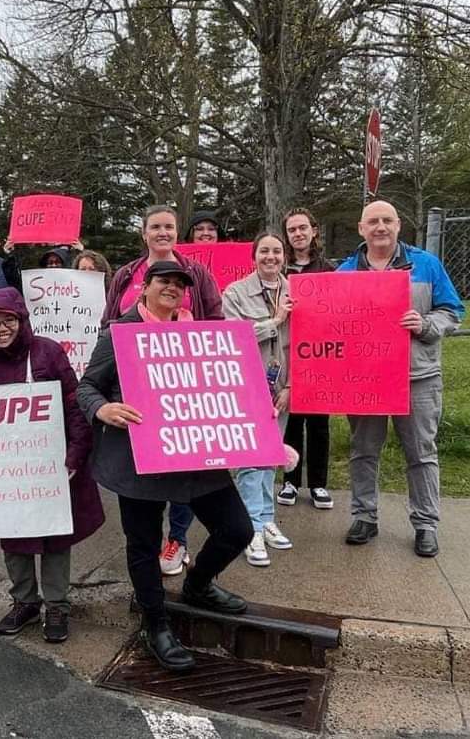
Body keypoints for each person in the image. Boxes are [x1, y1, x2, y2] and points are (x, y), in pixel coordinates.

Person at [78, 262, 252, 672]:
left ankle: (197, 585)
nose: (173, 288)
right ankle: (155, 623)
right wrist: (102, 408)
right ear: (145, 287)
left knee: (237, 529)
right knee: (143, 544)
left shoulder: (200, 335)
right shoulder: (119, 334)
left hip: (193, 451)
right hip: (137, 457)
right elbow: (86, 386)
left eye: (180, 284)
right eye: (165, 282)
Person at [0, 288, 104, 644]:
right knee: (12, 536)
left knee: (55, 537)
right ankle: (24, 602)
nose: (2, 328)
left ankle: (57, 605)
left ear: (22, 320)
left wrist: (76, 455)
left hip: (52, 465)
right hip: (3, 469)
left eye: (9, 320)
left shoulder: (47, 351)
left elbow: (75, 404)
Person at [101, 205, 224, 576]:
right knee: (145, 465)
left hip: (182, 383)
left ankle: (178, 538)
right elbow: (108, 321)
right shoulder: (126, 274)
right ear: (144, 232)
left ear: (176, 232)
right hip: (135, 383)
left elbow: (215, 320)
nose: (162, 233)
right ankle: (145, 541)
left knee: (184, 462)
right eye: (155, 226)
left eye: (169, 226)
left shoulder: (195, 273)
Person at [337, 200, 464, 557]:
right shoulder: (345, 274)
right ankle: (364, 516)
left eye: (387, 221)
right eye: (373, 221)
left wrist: (425, 326)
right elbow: (330, 325)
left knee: (421, 453)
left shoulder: (426, 264)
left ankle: (425, 525)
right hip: (367, 380)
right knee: (363, 452)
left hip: (417, 376)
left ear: (398, 226)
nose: (380, 227)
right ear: (360, 228)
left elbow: (453, 310)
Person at [222, 232, 295, 568]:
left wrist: (291, 386)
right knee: (251, 459)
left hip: (283, 388)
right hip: (248, 387)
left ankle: (266, 517)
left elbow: (307, 341)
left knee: (270, 456)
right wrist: (276, 321)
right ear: (254, 256)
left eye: (277, 251)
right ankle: (250, 528)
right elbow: (234, 337)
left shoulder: (297, 290)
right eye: (264, 250)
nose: (271, 256)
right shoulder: (235, 293)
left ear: (285, 255)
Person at [280, 208, 336, 510]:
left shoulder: (328, 269)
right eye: (292, 230)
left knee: (318, 423)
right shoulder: (280, 269)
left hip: (320, 356)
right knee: (290, 420)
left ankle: (318, 484)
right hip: (288, 354)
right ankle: (289, 481)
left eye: (303, 228)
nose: (298, 234)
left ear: (313, 231)